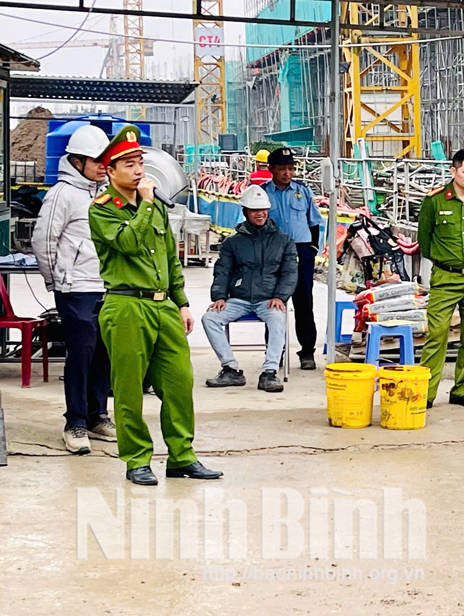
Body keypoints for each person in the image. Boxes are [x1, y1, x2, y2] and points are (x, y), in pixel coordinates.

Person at [89, 125, 222, 486]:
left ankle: (182, 456)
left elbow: (170, 259)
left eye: (140, 162)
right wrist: (146, 204)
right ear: (110, 171)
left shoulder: (157, 207)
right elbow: (128, 243)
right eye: (129, 164)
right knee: (129, 388)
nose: (138, 170)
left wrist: (181, 302)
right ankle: (136, 458)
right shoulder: (103, 211)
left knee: (179, 382)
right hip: (126, 305)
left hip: (163, 306)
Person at [31, 124, 117, 455]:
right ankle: (76, 422)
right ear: (77, 161)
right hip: (75, 288)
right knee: (81, 355)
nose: (102, 165)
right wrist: (56, 281)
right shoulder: (62, 194)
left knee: (104, 353)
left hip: (106, 286)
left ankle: (98, 415)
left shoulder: (106, 193)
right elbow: (44, 241)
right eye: (96, 160)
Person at [417, 148, 464, 408]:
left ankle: (461, 389)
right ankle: (427, 393)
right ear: (453, 171)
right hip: (445, 278)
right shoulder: (434, 201)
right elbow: (424, 240)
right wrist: (445, 261)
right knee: (437, 334)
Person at [202, 184, 298, 393]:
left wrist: (280, 296)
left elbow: (290, 272)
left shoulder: (283, 241)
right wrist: (219, 296)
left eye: (263, 209)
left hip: (269, 300)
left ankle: (269, 372)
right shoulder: (232, 242)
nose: (259, 214)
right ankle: (231, 369)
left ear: (268, 210)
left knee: (278, 319)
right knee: (209, 318)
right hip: (239, 299)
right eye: (254, 210)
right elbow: (222, 271)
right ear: (245, 212)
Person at [263, 146, 322, 370]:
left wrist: (312, 249)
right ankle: (275, 352)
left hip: (301, 251)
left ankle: (307, 352)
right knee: (274, 304)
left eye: (290, 168)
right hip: (273, 253)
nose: (287, 173)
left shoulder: (303, 191)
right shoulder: (263, 193)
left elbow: (314, 222)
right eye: (282, 168)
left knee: (304, 302)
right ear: (271, 169)